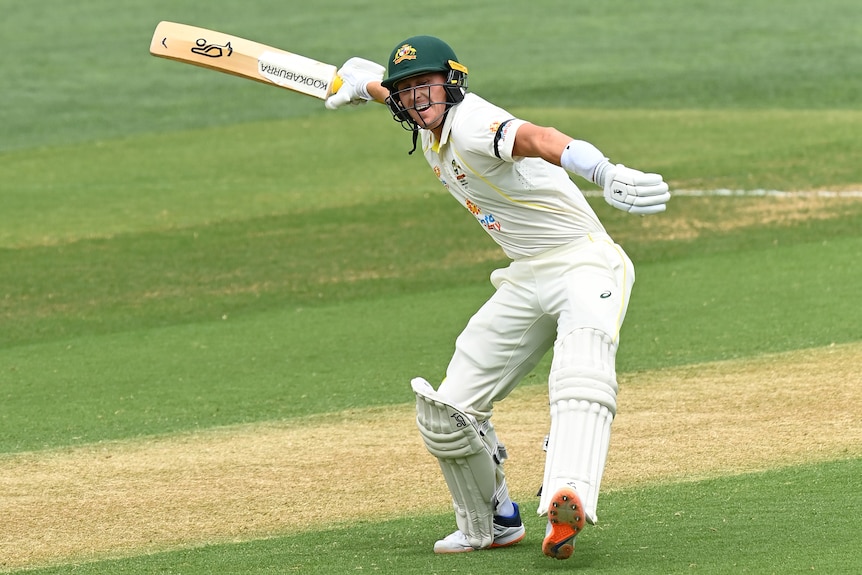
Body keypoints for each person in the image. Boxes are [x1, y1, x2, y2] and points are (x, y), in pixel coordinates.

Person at [324, 36, 669, 560]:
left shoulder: (470, 123)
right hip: (527, 274)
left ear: (453, 83)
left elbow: (542, 137)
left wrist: (605, 172)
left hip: (583, 261)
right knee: (448, 411)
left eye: (427, 86)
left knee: (580, 374)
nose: (418, 99)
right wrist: (368, 84)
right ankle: (493, 521)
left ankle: (565, 496)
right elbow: (402, 92)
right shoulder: (428, 118)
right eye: (407, 91)